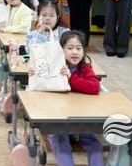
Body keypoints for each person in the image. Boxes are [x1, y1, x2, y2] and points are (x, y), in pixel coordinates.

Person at [30, 31, 103, 166]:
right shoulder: (53, 66)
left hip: (80, 118)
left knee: (94, 143)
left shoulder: (85, 68)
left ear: (83, 51)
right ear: (61, 50)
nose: (74, 52)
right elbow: (40, 89)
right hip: (57, 118)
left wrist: (71, 78)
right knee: (59, 140)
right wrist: (35, 75)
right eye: (70, 48)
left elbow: (94, 87)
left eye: (78, 48)